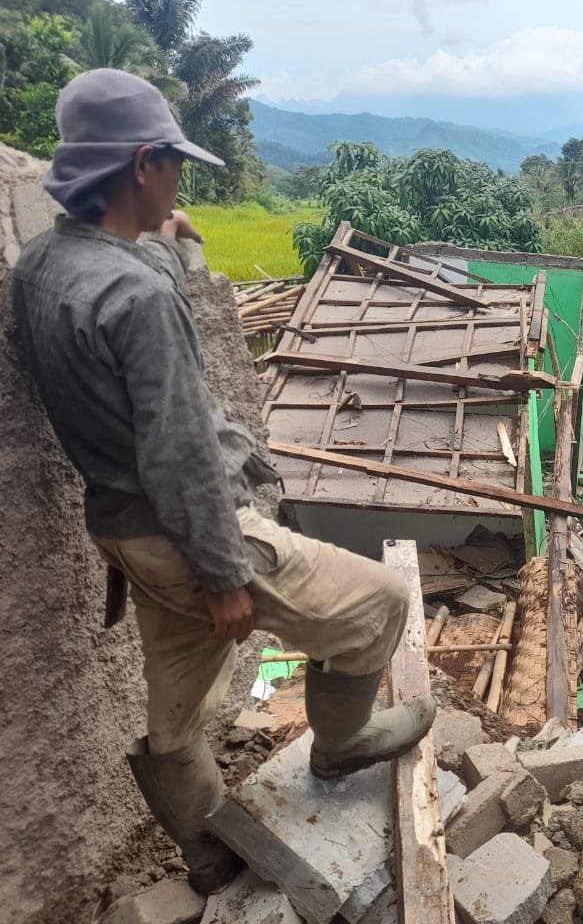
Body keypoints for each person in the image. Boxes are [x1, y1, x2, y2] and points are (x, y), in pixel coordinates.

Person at [10, 69, 436, 895]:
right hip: (187, 531)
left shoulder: (47, 265)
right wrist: (224, 573)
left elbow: (127, 310)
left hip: (125, 533)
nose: (180, 176)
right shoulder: (133, 292)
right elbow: (178, 449)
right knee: (379, 603)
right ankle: (341, 745)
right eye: (173, 162)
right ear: (143, 164)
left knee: (175, 710)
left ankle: (209, 853)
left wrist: (172, 244)